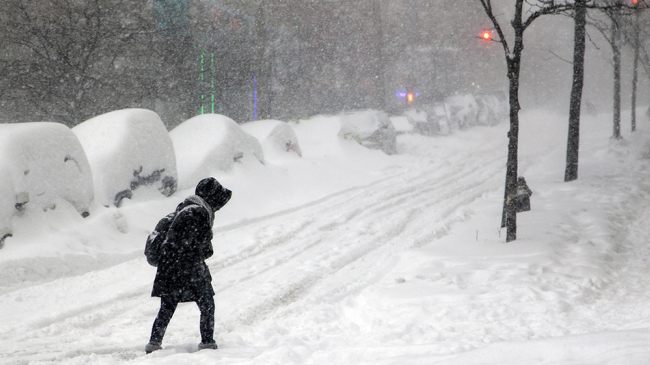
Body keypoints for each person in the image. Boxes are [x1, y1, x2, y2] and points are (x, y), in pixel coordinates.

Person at [145, 177, 232, 354]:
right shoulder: (199, 213)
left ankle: (154, 344)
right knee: (207, 303)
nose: (218, 207)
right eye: (218, 202)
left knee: (167, 308)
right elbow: (205, 249)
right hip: (189, 268)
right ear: (212, 198)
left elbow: (174, 241)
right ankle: (207, 343)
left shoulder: (184, 208)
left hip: (170, 268)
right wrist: (197, 253)